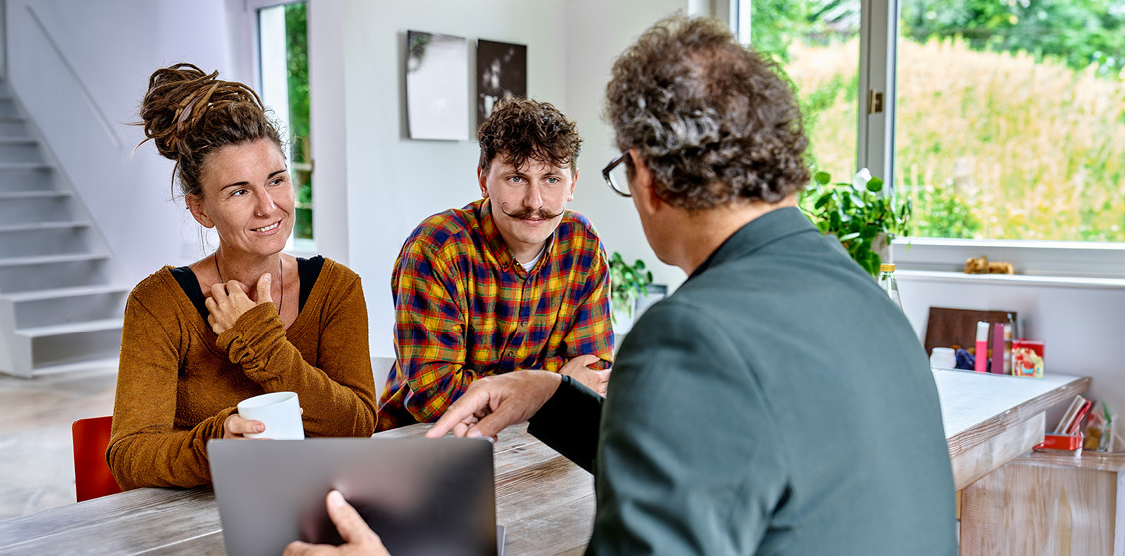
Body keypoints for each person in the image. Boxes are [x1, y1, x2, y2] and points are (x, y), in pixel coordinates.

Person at [286, 16, 957, 555]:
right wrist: (548, 392)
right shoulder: (870, 301)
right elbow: (721, 459)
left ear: (647, 175)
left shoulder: (691, 336)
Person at [107, 63, 376, 489]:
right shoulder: (158, 303)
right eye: (239, 190)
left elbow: (358, 426)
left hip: (320, 509)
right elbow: (129, 455)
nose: (268, 207)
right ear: (201, 210)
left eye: (276, 180)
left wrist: (263, 343)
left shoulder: (337, 289)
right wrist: (217, 444)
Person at [376, 96, 614, 431]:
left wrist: (498, 390)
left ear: (572, 184)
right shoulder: (438, 248)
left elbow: (594, 374)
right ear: (483, 179)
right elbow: (435, 394)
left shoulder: (582, 244)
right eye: (516, 178)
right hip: (425, 444)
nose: (535, 202)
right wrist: (554, 383)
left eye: (551, 179)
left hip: (537, 444)